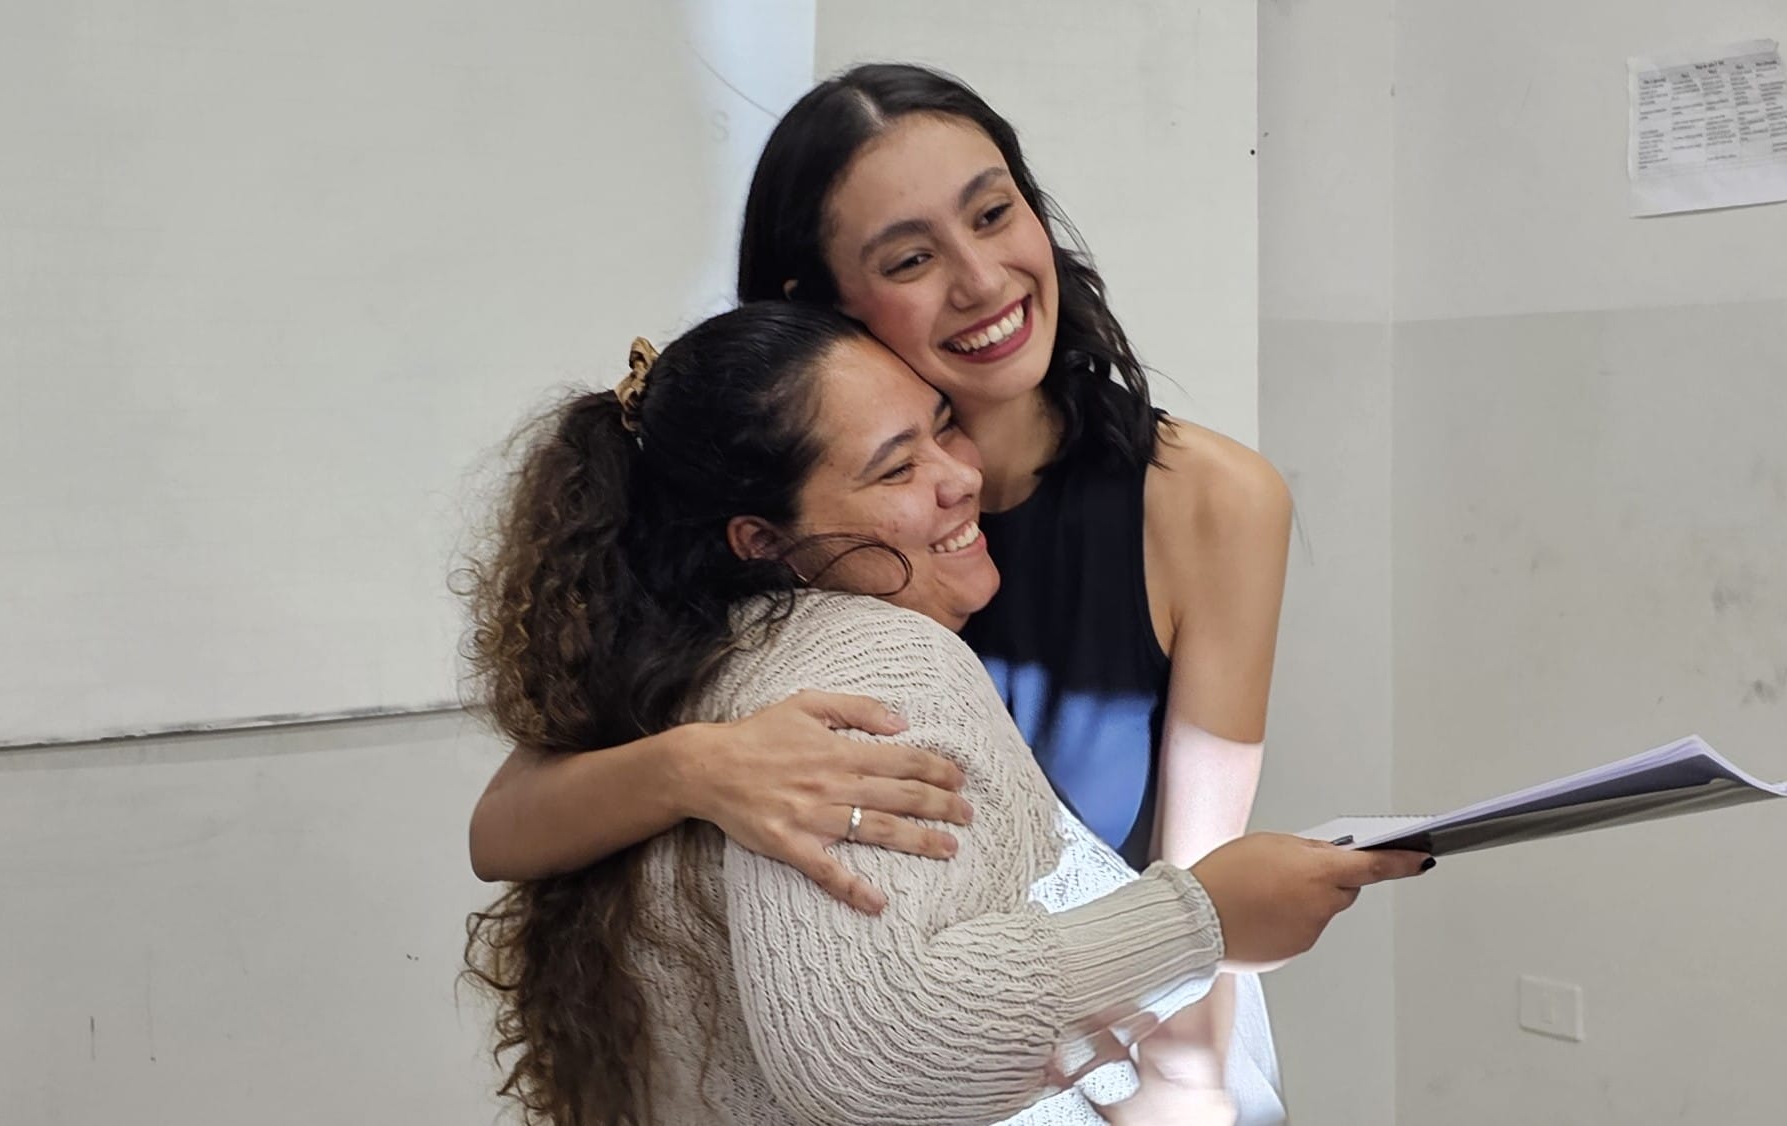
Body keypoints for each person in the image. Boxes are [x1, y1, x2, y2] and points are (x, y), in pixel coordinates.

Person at [471, 64, 1301, 1117]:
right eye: (911, 258)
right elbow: (505, 827)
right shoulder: (784, 527)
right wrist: (701, 767)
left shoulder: (1210, 501)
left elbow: (1200, 880)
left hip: (1117, 1063)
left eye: (993, 213)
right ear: (817, 307)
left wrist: (1182, 1092)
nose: (982, 280)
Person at [458, 303, 1429, 1125]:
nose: (961, 477)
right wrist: (1203, 919)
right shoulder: (875, 660)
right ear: (762, 540)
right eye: (894, 468)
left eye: (942, 425)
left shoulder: (684, 662)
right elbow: (875, 1050)